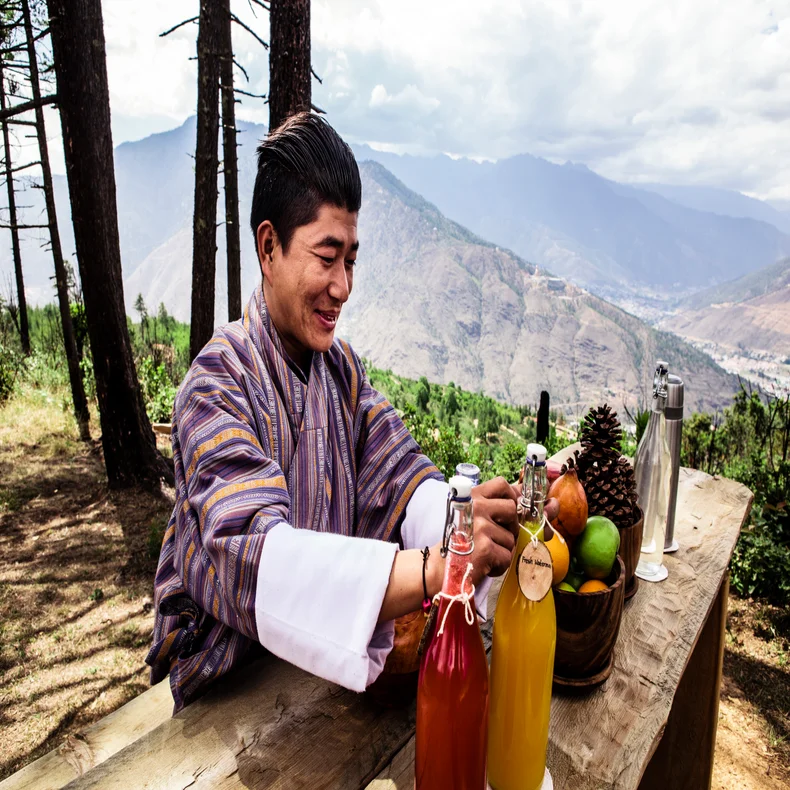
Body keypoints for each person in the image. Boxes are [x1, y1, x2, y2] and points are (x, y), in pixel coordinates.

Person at [146, 113, 545, 711]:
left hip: (316, 684)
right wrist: (436, 569)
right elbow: (255, 556)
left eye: (351, 260)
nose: (343, 287)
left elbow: (404, 480)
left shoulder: (343, 373)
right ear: (269, 247)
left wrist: (468, 525)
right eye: (326, 257)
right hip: (223, 693)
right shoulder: (216, 384)